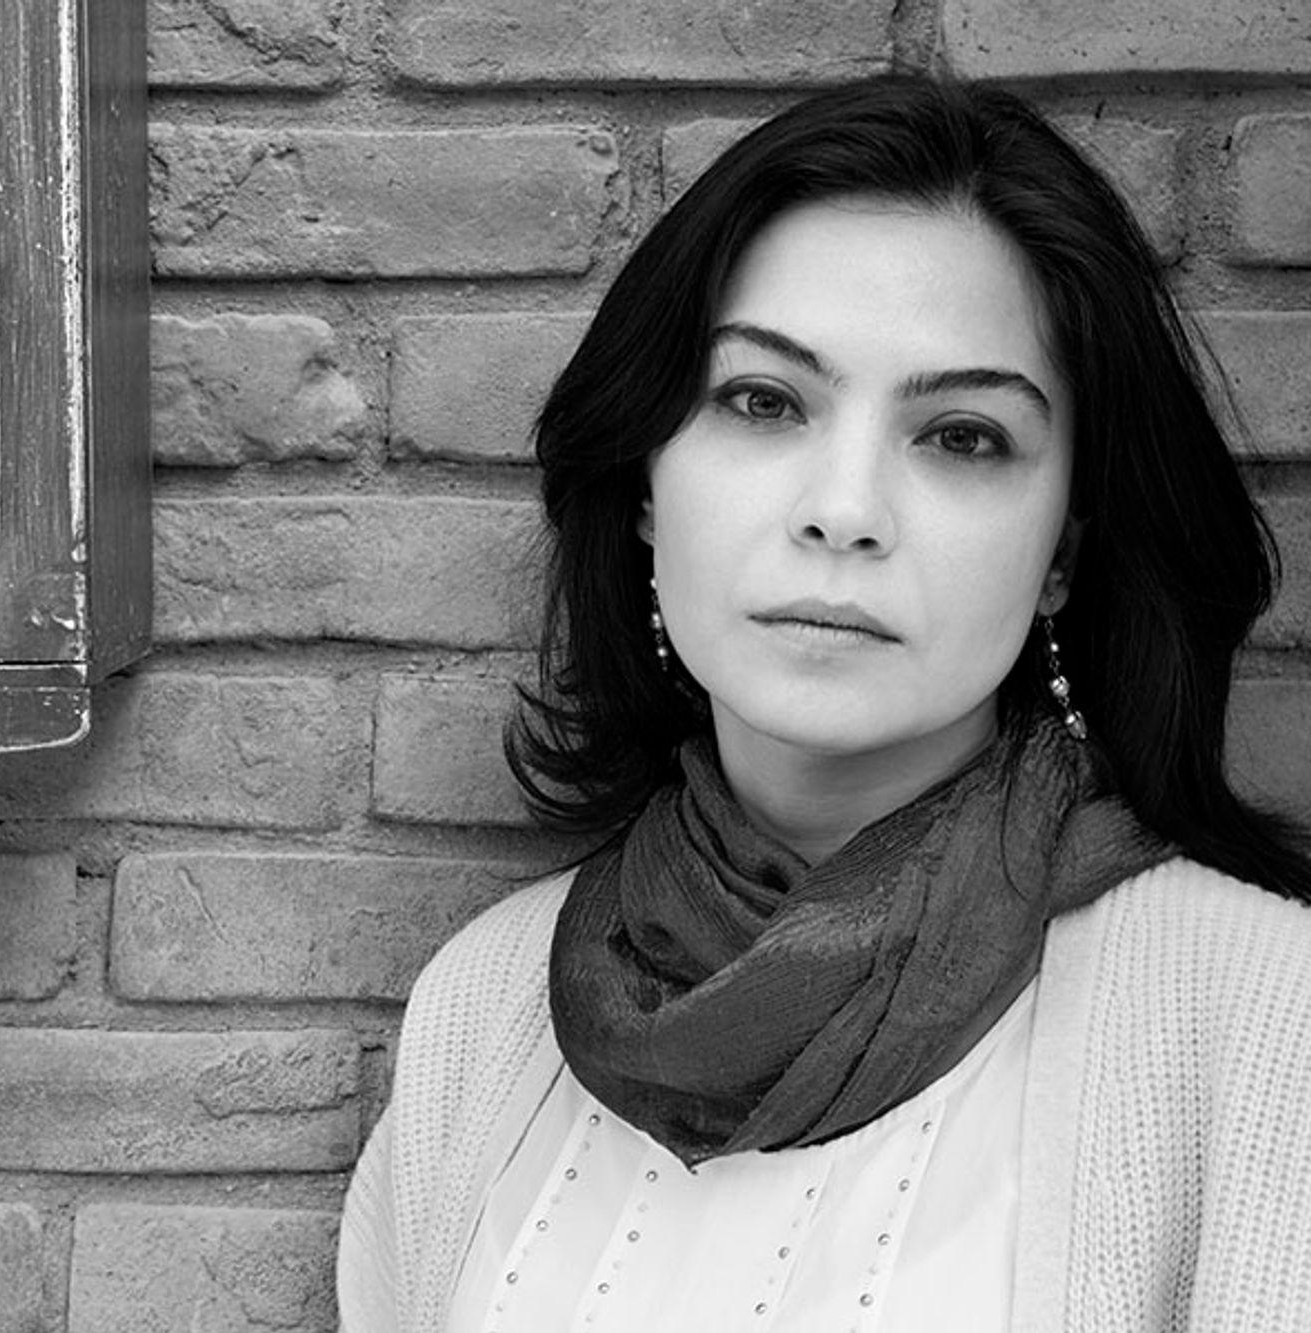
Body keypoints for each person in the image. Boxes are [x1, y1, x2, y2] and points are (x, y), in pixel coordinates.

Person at [337, 74, 1311, 1331]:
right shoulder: (484, 1004)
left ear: (1061, 552)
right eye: (761, 402)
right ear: (644, 483)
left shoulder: (1262, 1014)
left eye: (961, 436)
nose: (842, 511)